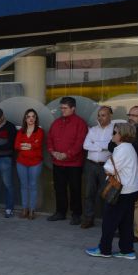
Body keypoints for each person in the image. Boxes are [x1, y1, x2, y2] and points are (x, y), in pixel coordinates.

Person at [86, 123, 138, 260]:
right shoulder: (129, 147)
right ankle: (127, 250)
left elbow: (108, 168)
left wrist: (107, 164)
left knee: (109, 221)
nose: (112, 135)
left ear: (122, 135)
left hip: (122, 191)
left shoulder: (121, 149)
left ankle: (104, 249)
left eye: (115, 132)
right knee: (126, 221)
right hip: (132, 189)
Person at [47, 96, 88, 225]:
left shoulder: (80, 123)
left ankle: (76, 215)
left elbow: (80, 143)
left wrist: (67, 154)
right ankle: (60, 212)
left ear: (73, 108)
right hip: (58, 162)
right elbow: (50, 139)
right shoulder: (56, 122)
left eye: (65, 108)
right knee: (59, 188)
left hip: (74, 163)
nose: (62, 110)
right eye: (61, 108)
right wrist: (53, 152)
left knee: (75, 189)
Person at [80, 106, 114, 228]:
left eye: (103, 115)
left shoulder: (114, 130)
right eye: (99, 115)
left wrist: (96, 144)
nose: (100, 118)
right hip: (91, 165)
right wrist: (102, 147)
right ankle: (88, 219)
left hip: (106, 166)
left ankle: (108, 221)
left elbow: (112, 146)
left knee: (106, 194)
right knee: (89, 193)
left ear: (110, 116)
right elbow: (85, 145)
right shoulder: (93, 130)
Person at [14, 109, 44, 220]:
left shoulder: (40, 131)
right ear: (25, 119)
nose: (31, 118)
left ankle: (32, 210)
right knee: (23, 186)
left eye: (33, 116)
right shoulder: (20, 131)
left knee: (33, 186)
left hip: (35, 162)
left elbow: (36, 144)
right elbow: (17, 146)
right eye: (28, 116)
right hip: (21, 162)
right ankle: (24, 208)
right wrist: (29, 145)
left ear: (36, 119)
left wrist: (26, 145)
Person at [127, 106, 138, 243]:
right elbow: (112, 145)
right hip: (128, 173)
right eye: (130, 114)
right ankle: (127, 230)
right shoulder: (128, 129)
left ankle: (137, 234)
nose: (131, 117)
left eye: (135, 115)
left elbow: (136, 145)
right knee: (128, 204)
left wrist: (123, 143)